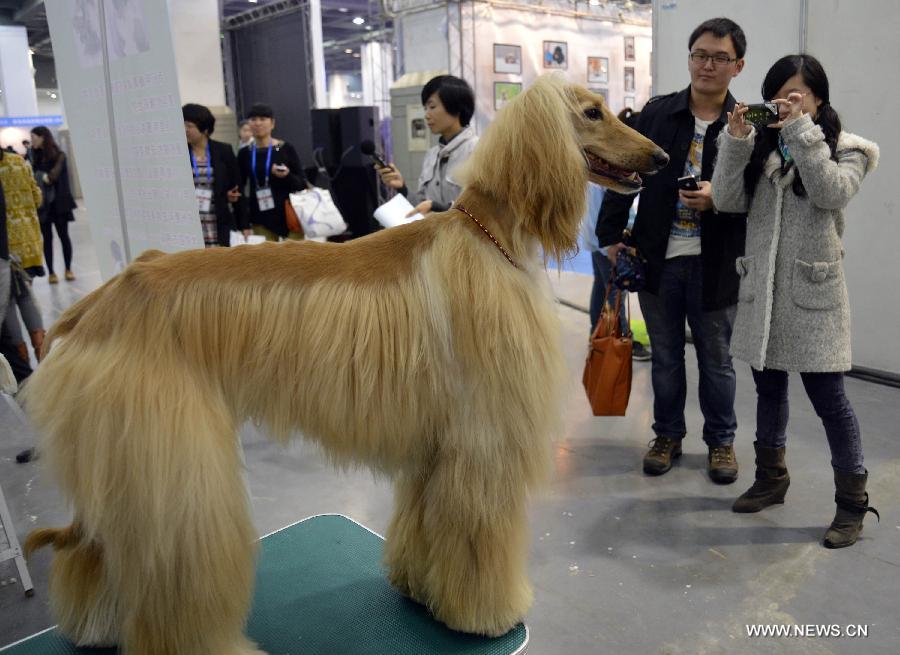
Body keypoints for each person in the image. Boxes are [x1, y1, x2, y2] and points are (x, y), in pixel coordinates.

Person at [712, 55, 879, 548]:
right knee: (768, 391)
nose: (787, 103)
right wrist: (737, 140)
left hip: (813, 297)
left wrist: (802, 130)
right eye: (779, 94)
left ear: (818, 97)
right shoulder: (763, 147)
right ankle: (771, 477)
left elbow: (830, 193)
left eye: (798, 94)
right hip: (763, 294)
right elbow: (725, 199)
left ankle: (851, 504)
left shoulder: (849, 150)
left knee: (831, 402)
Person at [596, 17, 748, 483]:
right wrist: (610, 235)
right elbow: (626, 172)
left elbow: (760, 195)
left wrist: (716, 199)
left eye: (719, 57)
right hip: (659, 256)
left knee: (716, 360)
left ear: (737, 66)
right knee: (664, 355)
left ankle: (721, 443)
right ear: (689, 58)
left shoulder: (746, 124)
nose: (707, 65)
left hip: (716, 261)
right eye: (700, 55)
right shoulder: (658, 113)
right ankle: (667, 434)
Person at [583, 108, 650, 360]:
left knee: (601, 288)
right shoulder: (612, 168)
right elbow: (612, 207)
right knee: (615, 294)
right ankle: (621, 341)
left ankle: (596, 335)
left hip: (594, 238)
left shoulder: (598, 161)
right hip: (607, 241)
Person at [376, 75, 478, 217]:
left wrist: (440, 208)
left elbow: (485, 207)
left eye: (432, 107)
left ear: (456, 107)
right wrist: (402, 188)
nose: (426, 115)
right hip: (435, 236)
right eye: (425, 108)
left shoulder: (478, 151)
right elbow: (421, 206)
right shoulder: (432, 155)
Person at [182, 104, 249, 247]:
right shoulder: (179, 153)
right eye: (182, 125)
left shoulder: (223, 151)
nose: (185, 130)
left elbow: (237, 188)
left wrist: (244, 225)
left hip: (218, 218)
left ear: (205, 129)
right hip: (191, 222)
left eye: (189, 126)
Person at [237, 103, 306, 241]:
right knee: (267, 260)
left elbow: (301, 184)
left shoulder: (286, 149)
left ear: (272, 123)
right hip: (259, 216)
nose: (258, 123)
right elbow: (239, 187)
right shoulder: (245, 153)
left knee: (294, 259)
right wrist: (243, 223)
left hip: (290, 214)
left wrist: (287, 176)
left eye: (263, 119)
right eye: (253, 119)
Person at [30, 126, 76, 282]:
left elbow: (52, 178)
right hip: (43, 206)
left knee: (64, 237)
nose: (32, 141)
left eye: (34, 138)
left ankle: (68, 269)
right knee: (47, 239)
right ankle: (51, 272)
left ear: (43, 137)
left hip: (59, 205)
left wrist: (40, 176)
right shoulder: (33, 157)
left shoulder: (59, 156)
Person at [0, 147, 43, 279]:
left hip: (6, 248)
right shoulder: (19, 160)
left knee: (6, 297)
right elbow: (37, 197)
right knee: (26, 292)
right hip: (29, 244)